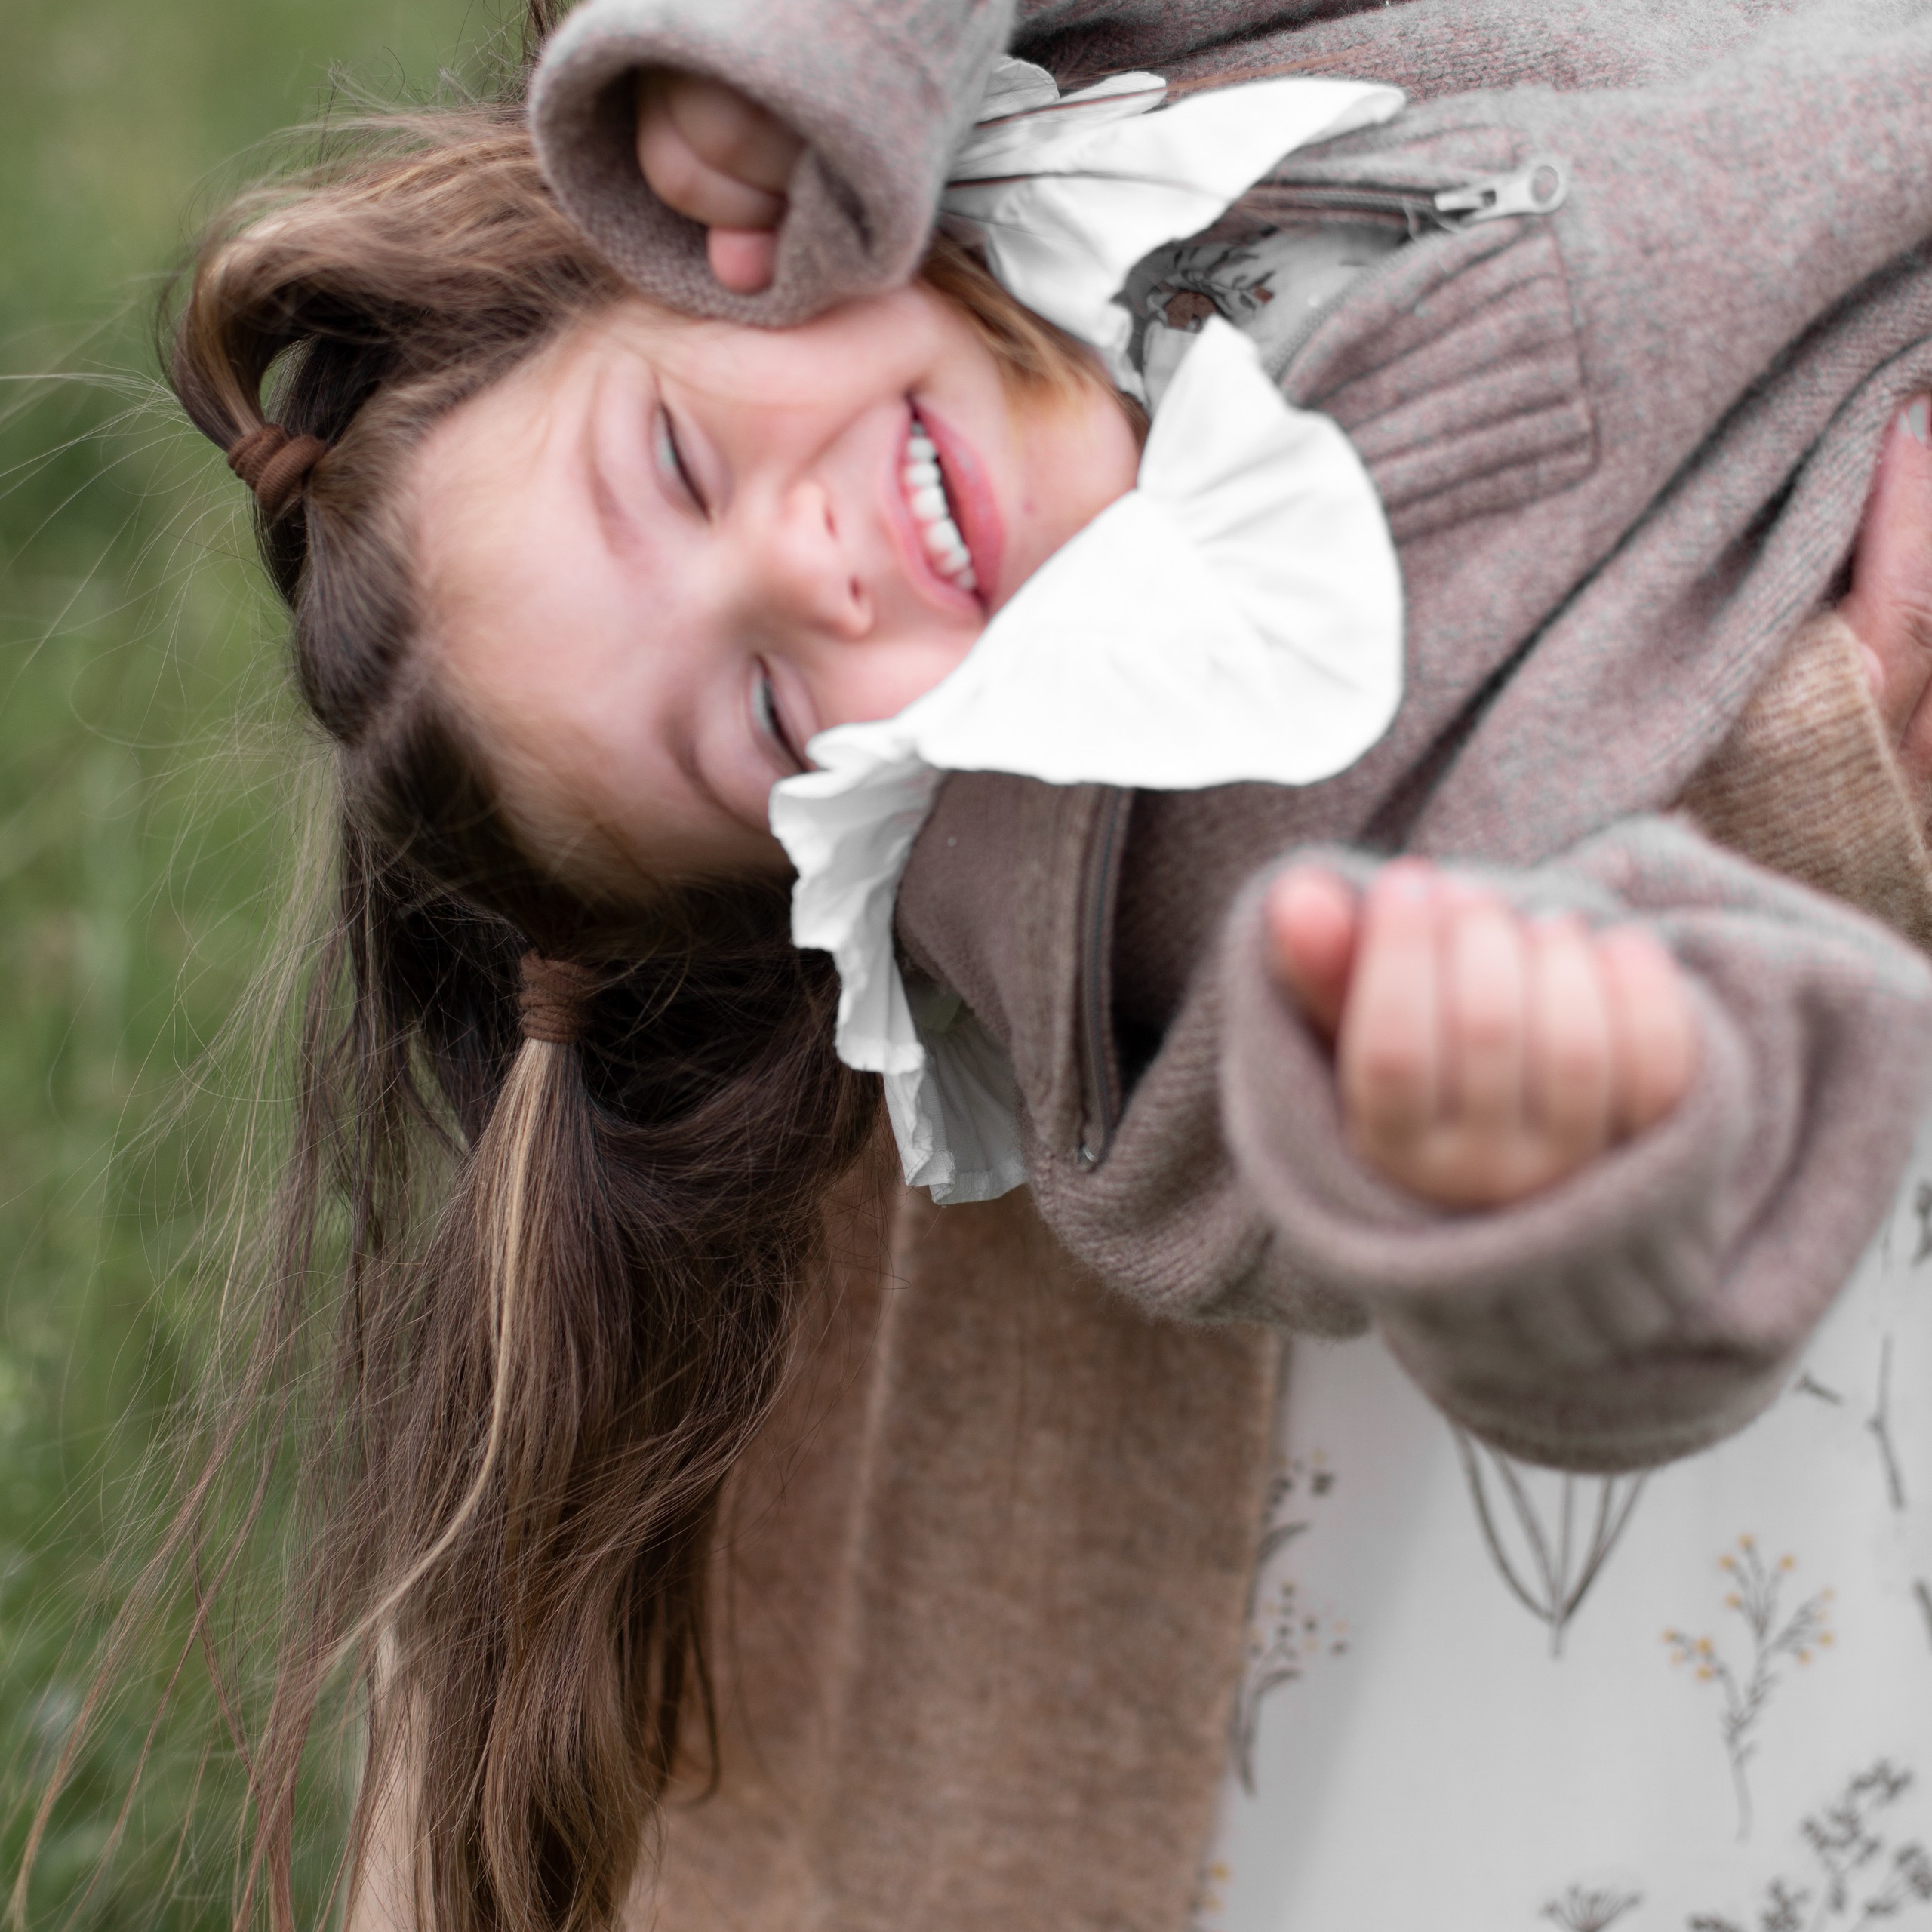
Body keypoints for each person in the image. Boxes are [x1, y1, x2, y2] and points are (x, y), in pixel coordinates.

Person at [61, 2, 1932, 1929]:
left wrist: (790, 65)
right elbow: (1454, 1145)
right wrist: (1548, 1130)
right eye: (776, 709)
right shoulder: (1176, 867)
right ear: (822, 862)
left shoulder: (1053, 120)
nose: (808, 565)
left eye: (685, 463)